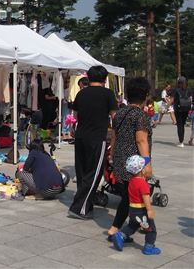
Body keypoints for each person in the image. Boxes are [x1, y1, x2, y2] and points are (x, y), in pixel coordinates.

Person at [107, 77, 153, 240]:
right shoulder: (141, 116)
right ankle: (117, 229)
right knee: (132, 196)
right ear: (145, 95)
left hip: (120, 159)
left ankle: (138, 224)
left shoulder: (119, 113)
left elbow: (113, 137)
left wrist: (112, 156)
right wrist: (147, 163)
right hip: (135, 163)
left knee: (131, 195)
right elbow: (141, 140)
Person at [69, 66, 117, 220]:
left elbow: (75, 115)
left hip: (81, 136)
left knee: (82, 172)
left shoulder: (81, 93)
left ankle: (86, 205)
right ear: (104, 79)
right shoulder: (108, 94)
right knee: (94, 173)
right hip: (97, 137)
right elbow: (114, 116)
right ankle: (79, 208)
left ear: (88, 78)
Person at [112, 155, 161, 255]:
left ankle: (121, 235)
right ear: (142, 170)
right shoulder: (143, 184)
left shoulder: (131, 182)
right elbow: (145, 198)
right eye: (146, 166)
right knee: (151, 229)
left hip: (133, 210)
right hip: (142, 210)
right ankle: (149, 247)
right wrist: (149, 210)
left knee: (132, 226)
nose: (149, 167)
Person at [173, 76, 192, 147]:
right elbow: (191, 99)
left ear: (179, 83)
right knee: (182, 125)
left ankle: (181, 142)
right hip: (186, 109)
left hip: (178, 110)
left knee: (180, 125)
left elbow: (173, 100)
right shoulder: (189, 90)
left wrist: (167, 107)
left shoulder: (176, 90)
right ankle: (181, 141)